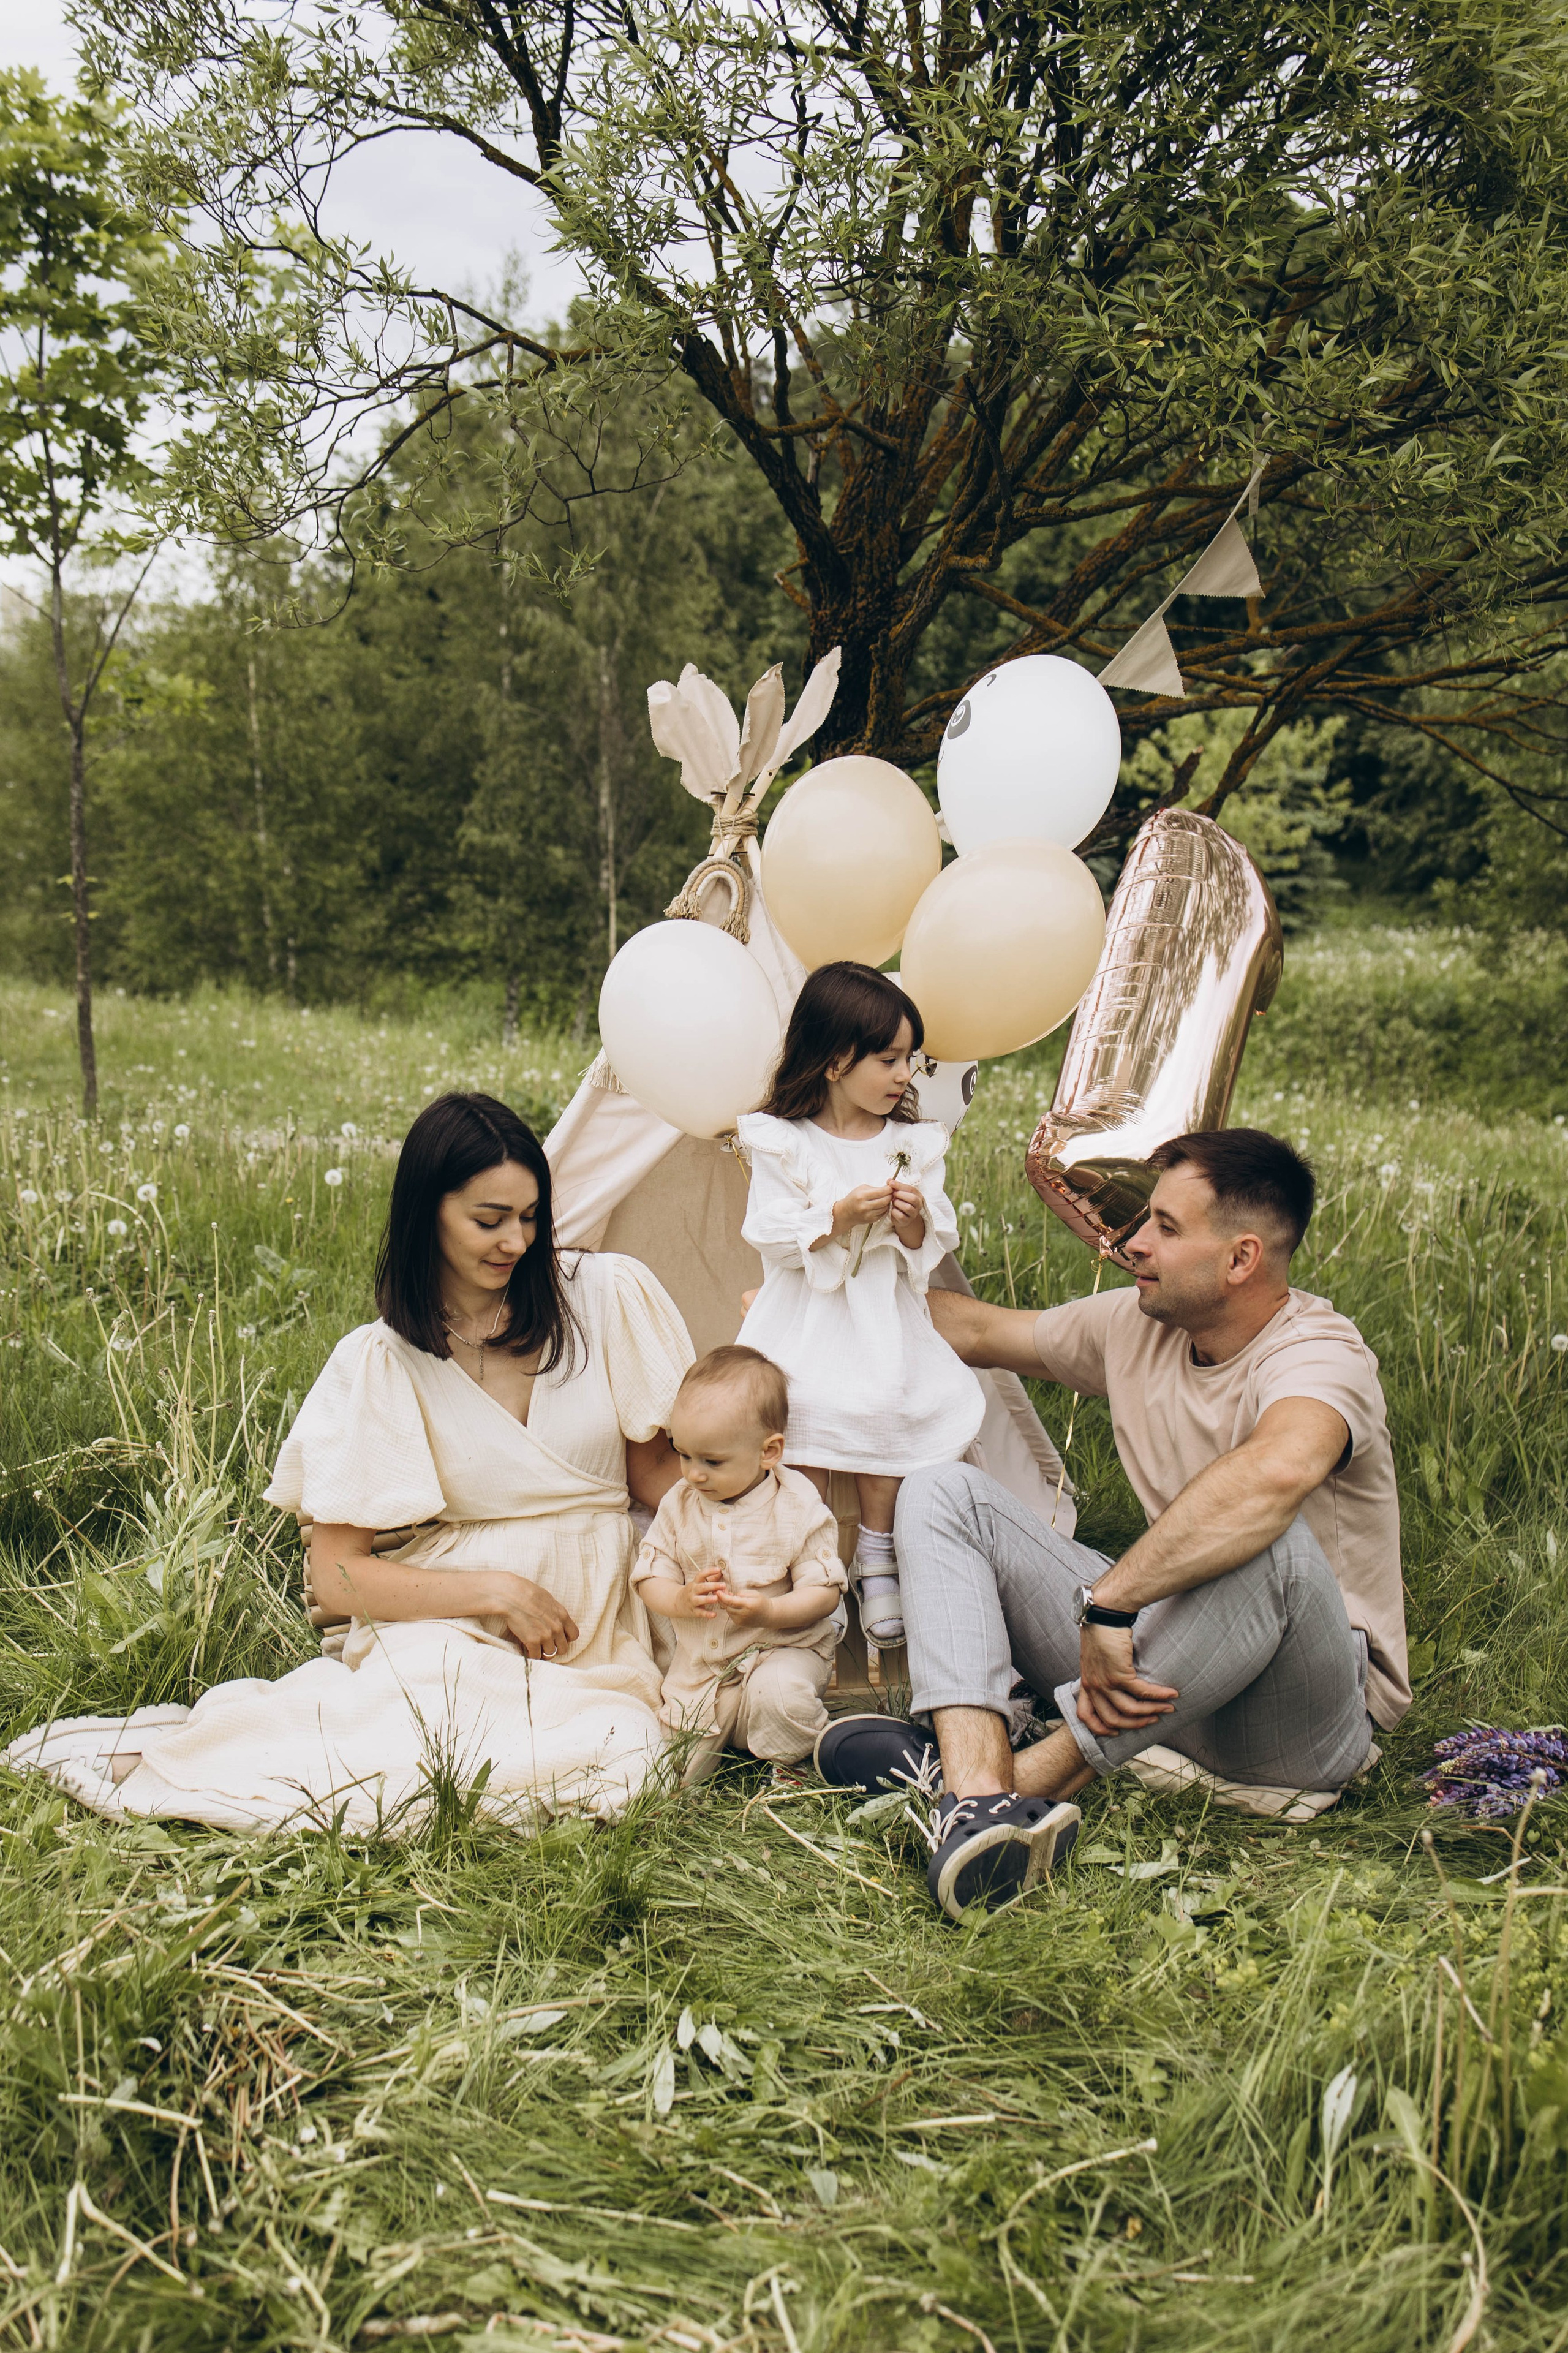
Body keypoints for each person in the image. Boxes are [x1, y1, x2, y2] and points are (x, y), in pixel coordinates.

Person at [4, 1093, 694, 1833]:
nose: (516, 1241)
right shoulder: (382, 1360)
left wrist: (752, 1511)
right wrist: (496, 1591)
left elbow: (654, 1472)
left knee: (625, 1751)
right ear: (428, 1212)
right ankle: (168, 1753)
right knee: (432, 1746)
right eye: (489, 1220)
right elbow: (337, 1575)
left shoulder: (604, 1296)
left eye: (530, 1217)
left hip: (601, 1620)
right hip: (463, 1620)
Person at [814, 1129, 1408, 1922]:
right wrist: (811, 1306)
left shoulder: (1320, 1355)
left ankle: (1006, 1785)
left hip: (1299, 1716)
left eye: (1165, 1226)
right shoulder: (1138, 1325)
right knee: (941, 1492)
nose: (1133, 1243)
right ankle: (979, 1801)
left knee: (1268, 1536)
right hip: (1166, 1669)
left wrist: (1112, 1603)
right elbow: (978, 1330)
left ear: (1240, 1258)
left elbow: (1277, 1471)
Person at [735, 962, 984, 1646]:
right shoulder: (784, 1140)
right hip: (804, 1318)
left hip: (880, 1315)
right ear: (835, 1060)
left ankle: (878, 1554)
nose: (905, 1074)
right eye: (889, 1059)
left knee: (887, 1409)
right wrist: (838, 1216)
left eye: (910, 1059)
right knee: (800, 1417)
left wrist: (911, 1221)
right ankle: (813, 1562)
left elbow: (930, 1241)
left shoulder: (910, 1144)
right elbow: (770, 1231)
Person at [631, 1344, 847, 1780]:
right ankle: (718, 1750)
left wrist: (771, 1611)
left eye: (712, 1461)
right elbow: (651, 1576)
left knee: (780, 1697)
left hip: (781, 1653)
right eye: (683, 1454)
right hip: (702, 1671)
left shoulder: (796, 1504)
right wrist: (680, 1598)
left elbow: (824, 1593)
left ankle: (796, 1767)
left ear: (769, 1452)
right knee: (672, 1771)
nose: (694, 1473)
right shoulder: (680, 1503)